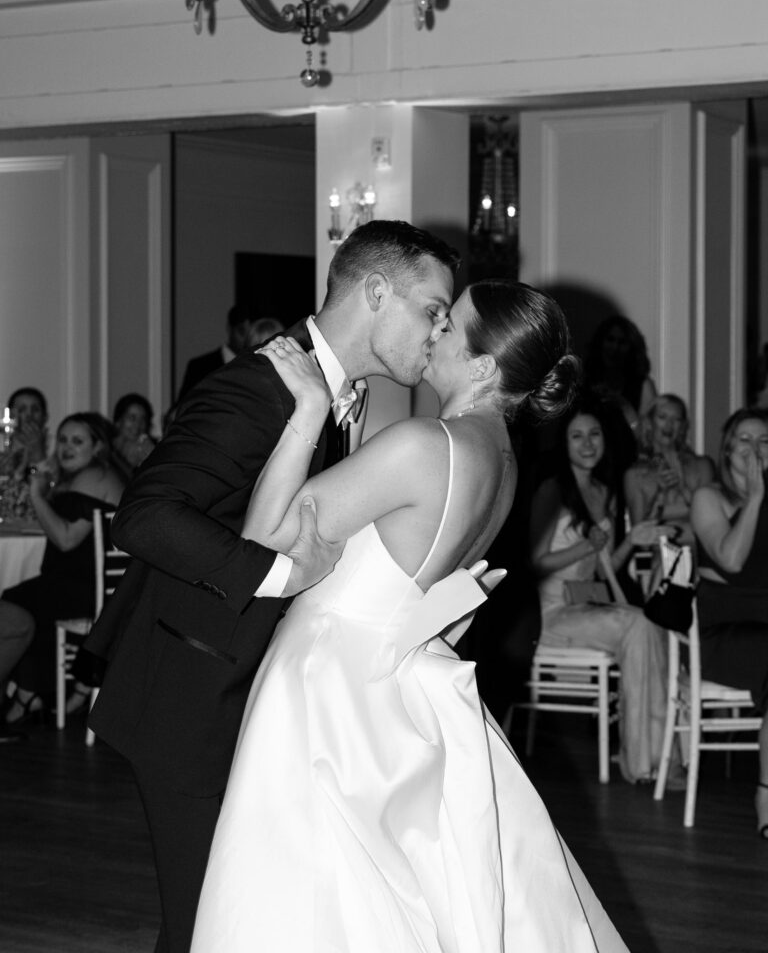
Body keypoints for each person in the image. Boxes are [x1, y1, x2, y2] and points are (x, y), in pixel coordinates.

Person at [191, 283, 630, 953]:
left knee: (303, 891)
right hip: (388, 676)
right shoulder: (502, 460)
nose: (432, 331)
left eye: (449, 325)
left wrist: (309, 409)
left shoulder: (428, 443)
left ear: (482, 367)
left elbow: (263, 536)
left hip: (329, 677)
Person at [83, 220, 460, 953]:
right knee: (204, 925)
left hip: (244, 695)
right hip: (186, 696)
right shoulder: (259, 389)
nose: (439, 333)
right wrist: (284, 573)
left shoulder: (327, 396)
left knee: (228, 920)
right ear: (376, 292)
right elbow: (147, 516)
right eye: (432, 310)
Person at [530, 394, 675, 784]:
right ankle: (643, 762)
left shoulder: (605, 493)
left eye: (594, 434)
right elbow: (535, 563)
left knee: (651, 625)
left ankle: (656, 758)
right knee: (638, 625)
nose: (588, 443)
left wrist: (634, 539)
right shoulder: (551, 490)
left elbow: (607, 566)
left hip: (586, 602)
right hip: (550, 612)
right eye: (577, 436)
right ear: (564, 443)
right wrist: (583, 546)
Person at [0, 413, 124, 726]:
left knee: (16, 602)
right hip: (79, 583)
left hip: (88, 590)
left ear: (97, 447)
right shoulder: (88, 474)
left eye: (77, 441)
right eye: (63, 439)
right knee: (26, 601)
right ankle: (30, 693)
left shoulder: (94, 477)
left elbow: (67, 540)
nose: (67, 447)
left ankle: (27, 694)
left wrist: (36, 494)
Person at [690, 407, 768, 838]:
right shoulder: (709, 497)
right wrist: (756, 498)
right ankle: (765, 793)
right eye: (745, 440)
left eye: (764, 441)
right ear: (727, 448)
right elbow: (732, 559)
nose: (755, 450)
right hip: (723, 632)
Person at [624, 393, 714, 546]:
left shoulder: (702, 466)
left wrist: (683, 490)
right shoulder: (635, 475)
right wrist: (657, 492)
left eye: (676, 420)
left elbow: (713, 525)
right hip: (657, 559)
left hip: (699, 556)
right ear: (650, 422)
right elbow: (640, 536)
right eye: (662, 417)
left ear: (683, 426)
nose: (669, 425)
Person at [176, 302, 261, 401]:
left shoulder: (260, 367)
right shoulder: (199, 367)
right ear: (230, 329)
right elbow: (183, 408)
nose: (246, 339)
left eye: (251, 334)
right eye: (241, 332)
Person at [0, 387, 49, 524]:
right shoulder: (3, 451)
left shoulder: (58, 449)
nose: (28, 416)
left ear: (45, 416)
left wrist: (39, 456)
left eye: (35, 410)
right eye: (21, 410)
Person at [111, 392, 157, 479]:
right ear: (118, 421)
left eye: (143, 420)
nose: (138, 425)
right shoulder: (106, 452)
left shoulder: (150, 450)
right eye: (132, 418)